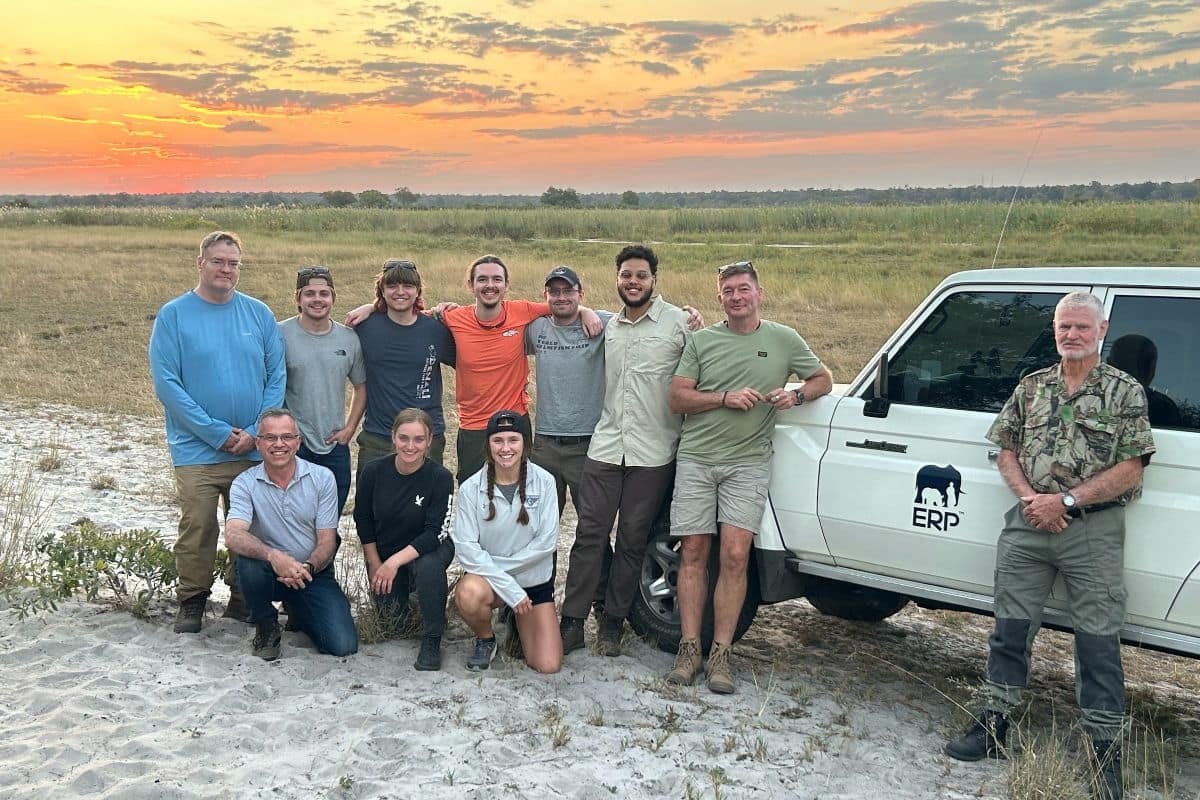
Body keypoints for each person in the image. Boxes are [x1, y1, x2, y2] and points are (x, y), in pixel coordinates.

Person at [943, 292, 1155, 800]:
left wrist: (1065, 500)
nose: (1072, 335)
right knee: (1009, 628)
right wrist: (1032, 500)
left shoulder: (1125, 392)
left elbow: (1131, 468)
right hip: (1028, 522)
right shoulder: (1032, 386)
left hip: (1092, 529)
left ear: (1101, 330)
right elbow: (1005, 448)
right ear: (1055, 330)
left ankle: (1105, 753)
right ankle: (993, 726)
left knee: (1098, 641)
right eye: (1064, 327)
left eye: (1082, 327)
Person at [664, 260, 832, 693]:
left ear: (759, 292)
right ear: (719, 298)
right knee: (694, 553)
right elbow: (677, 397)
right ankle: (688, 647)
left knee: (736, 556)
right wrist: (724, 397)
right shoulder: (703, 341)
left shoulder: (783, 338)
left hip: (749, 463)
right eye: (729, 292)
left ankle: (721, 654)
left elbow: (823, 379)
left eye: (744, 289)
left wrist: (795, 395)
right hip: (698, 459)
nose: (737, 297)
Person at [148, 230, 285, 633]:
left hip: (252, 449)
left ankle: (243, 599)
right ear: (201, 263)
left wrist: (257, 431)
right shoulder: (173, 315)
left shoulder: (258, 313)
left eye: (233, 263)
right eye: (218, 261)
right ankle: (192, 600)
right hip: (198, 450)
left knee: (252, 527)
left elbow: (276, 375)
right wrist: (216, 433)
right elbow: (168, 385)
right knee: (199, 525)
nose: (226, 269)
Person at [559, 244, 690, 657]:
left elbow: (698, 371)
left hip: (653, 453)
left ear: (654, 279)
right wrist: (582, 311)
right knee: (589, 535)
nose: (633, 282)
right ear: (616, 279)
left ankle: (613, 623)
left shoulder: (679, 324)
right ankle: (574, 621)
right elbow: (569, 312)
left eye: (641, 275)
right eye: (626, 275)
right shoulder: (607, 325)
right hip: (607, 444)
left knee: (633, 540)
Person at [441, 255, 600, 484]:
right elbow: (411, 315)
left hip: (515, 420)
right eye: (482, 279)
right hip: (473, 424)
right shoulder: (453, 318)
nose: (490, 285)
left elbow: (562, 304)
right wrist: (369, 310)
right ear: (471, 285)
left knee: (520, 491)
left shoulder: (522, 310)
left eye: (497, 279)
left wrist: (586, 310)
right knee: (472, 489)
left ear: (506, 285)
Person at [223, 409, 359, 661]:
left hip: (310, 573)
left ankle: (300, 609)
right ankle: (265, 624)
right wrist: (274, 557)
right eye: (270, 437)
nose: (279, 444)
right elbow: (233, 535)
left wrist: (306, 567)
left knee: (343, 645)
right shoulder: (245, 483)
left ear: (299, 441)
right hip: (267, 573)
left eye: (287, 437)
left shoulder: (322, 478)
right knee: (249, 563)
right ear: (258, 443)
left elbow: (327, 540)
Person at [452, 411, 562, 673]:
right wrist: (508, 588)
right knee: (468, 593)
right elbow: (466, 549)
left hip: (531, 582)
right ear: (488, 445)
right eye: (497, 440)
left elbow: (546, 543)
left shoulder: (545, 482)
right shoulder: (470, 488)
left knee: (547, 665)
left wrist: (509, 579)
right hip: (491, 583)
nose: (505, 448)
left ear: (524, 443)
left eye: (513, 440)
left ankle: (516, 620)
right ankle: (486, 639)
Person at [353, 408, 455, 671]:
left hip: (429, 548)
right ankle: (415, 597)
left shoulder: (440, 478)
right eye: (404, 438)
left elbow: (435, 533)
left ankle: (432, 638)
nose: (411, 446)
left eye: (419, 439)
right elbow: (363, 520)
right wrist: (376, 563)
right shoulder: (373, 471)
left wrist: (394, 563)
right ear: (393, 437)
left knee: (428, 567)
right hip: (386, 551)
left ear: (430, 440)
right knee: (393, 625)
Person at [278, 266, 366, 515]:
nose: (317, 299)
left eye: (324, 293)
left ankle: (327, 557)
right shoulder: (279, 334)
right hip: (294, 445)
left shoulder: (349, 339)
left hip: (334, 446)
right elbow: (268, 386)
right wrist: (284, 433)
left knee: (330, 520)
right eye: (309, 293)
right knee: (293, 519)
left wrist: (349, 429)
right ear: (298, 298)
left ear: (333, 297)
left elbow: (361, 387)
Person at [354, 259, 455, 473]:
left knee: (426, 503)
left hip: (426, 436)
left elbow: (471, 364)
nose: (400, 292)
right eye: (392, 286)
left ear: (418, 291)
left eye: (408, 286)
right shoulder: (364, 328)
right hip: (378, 436)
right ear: (381, 290)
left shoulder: (436, 329)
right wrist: (371, 308)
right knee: (370, 503)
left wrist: (457, 312)